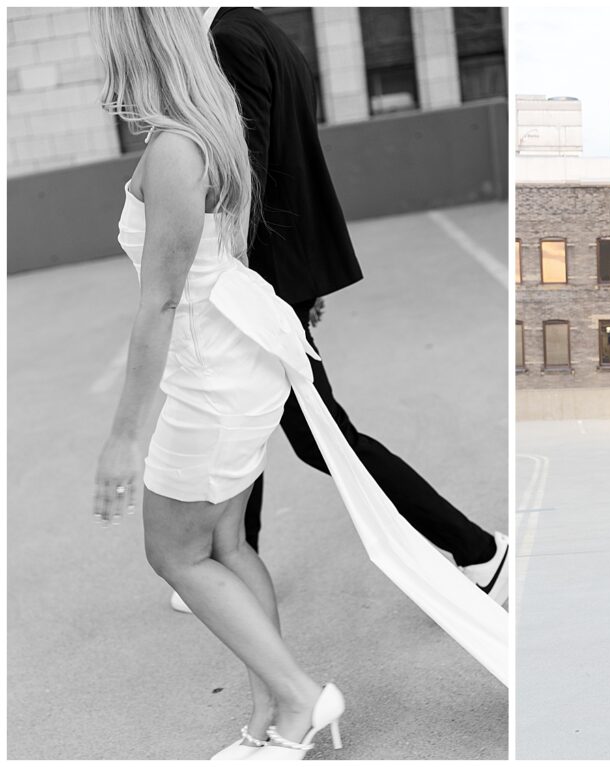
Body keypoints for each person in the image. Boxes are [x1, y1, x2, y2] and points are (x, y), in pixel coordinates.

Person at [90, 8, 505, 761]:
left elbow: (160, 299)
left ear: (135, 47)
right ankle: (273, 718)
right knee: (223, 543)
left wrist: (122, 439)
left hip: (211, 376)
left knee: (176, 553)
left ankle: (301, 695)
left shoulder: (179, 148)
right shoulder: (205, 129)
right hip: (235, 358)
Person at [167, 6, 506, 618]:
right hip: (282, 268)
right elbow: (290, 164)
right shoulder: (273, 34)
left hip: (260, 274)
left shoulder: (228, 38)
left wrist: (240, 279)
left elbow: (252, 169)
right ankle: (239, 557)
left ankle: (479, 550)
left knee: (324, 439)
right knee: (253, 416)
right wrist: (302, 274)